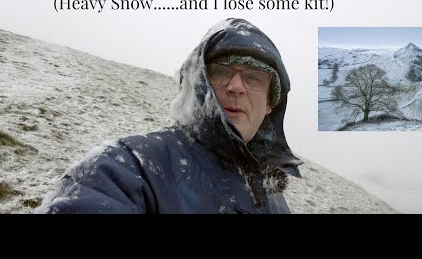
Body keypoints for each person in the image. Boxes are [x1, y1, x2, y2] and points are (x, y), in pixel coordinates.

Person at [36, 18, 302, 214]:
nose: (235, 86)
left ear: (271, 103)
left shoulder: (273, 197)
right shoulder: (126, 169)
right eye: (221, 72)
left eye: (253, 78)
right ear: (201, 83)